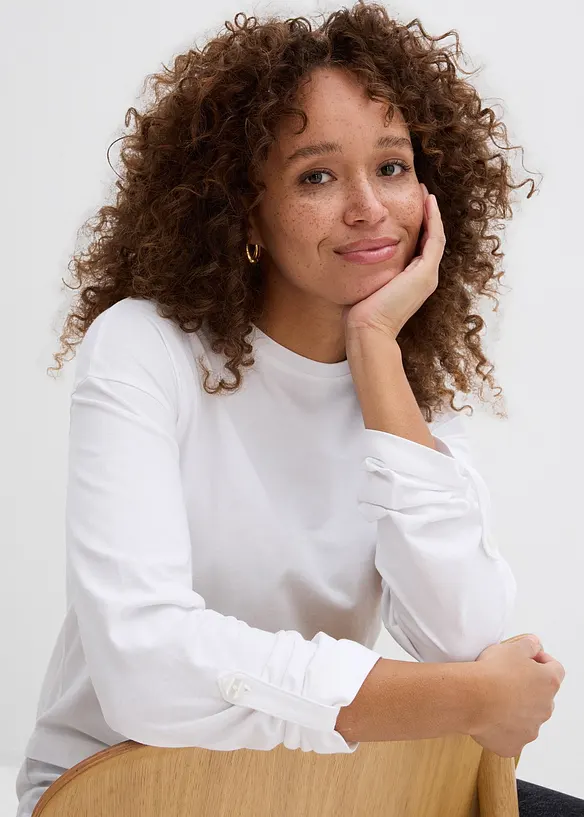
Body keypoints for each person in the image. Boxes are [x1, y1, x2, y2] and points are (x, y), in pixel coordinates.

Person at [16, 2, 582, 815]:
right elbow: (147, 667)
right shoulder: (144, 349)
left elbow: (466, 640)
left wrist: (376, 348)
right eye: (317, 176)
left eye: (392, 167)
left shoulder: (403, 393)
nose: (368, 207)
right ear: (243, 207)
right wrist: (465, 698)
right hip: (123, 790)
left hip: (313, 787)